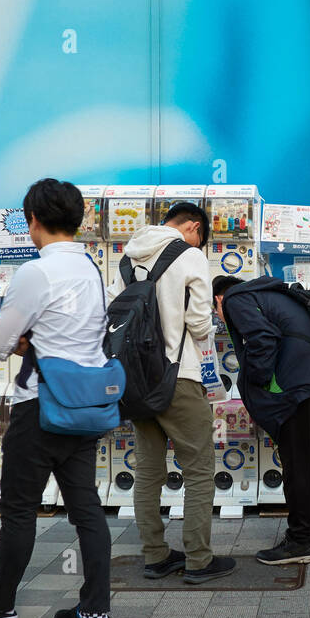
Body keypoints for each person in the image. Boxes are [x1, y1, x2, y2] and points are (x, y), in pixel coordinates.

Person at [0, 179, 117, 618]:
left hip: (38, 407)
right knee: (87, 510)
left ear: (33, 220)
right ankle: (95, 610)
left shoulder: (34, 273)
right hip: (84, 408)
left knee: (20, 509)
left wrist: (27, 343)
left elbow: (0, 342)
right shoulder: (90, 270)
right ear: (78, 220)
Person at [107, 202, 235, 584]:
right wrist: (207, 338)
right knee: (198, 469)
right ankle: (198, 559)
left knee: (148, 471)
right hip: (179, 376)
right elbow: (198, 321)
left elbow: (112, 316)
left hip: (135, 379)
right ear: (193, 227)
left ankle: (156, 556)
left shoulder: (128, 259)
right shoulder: (190, 254)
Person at [213, 274, 310, 564]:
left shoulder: (235, 299)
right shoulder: (274, 293)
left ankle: (300, 542)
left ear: (218, 298)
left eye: (214, 310)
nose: (219, 316)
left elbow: (262, 338)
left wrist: (257, 382)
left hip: (297, 384)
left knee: (296, 463)